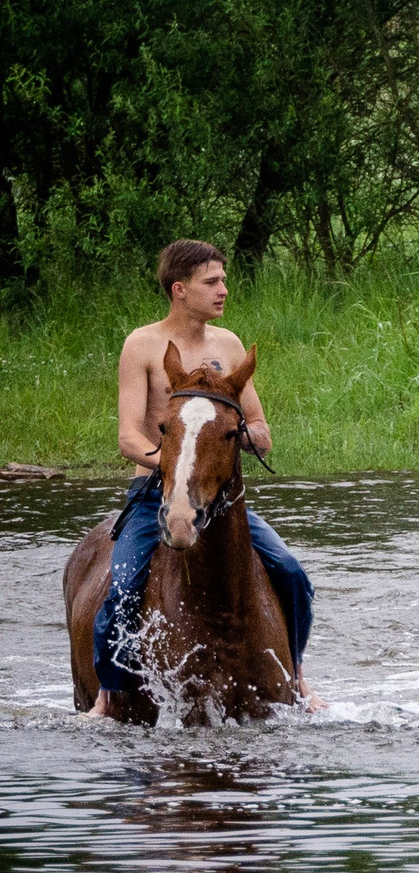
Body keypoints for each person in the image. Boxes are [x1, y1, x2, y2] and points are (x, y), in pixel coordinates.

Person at [91, 240, 318, 716]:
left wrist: (245, 438)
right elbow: (129, 437)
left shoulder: (229, 345)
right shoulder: (143, 344)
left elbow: (258, 424)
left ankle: (296, 678)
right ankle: (108, 695)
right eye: (211, 282)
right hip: (156, 487)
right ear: (180, 289)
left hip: (219, 493)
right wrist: (177, 463)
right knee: (124, 582)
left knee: (292, 573)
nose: (223, 291)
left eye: (223, 280)